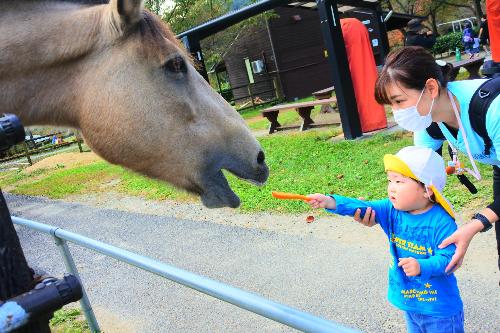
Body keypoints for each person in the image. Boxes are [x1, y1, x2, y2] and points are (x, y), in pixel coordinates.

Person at [357, 46, 499, 277]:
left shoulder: (493, 110)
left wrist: (475, 224)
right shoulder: (428, 121)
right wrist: (385, 208)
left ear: (431, 88)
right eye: (391, 105)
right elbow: (415, 179)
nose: (396, 112)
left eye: (399, 101)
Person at [307, 146, 464, 333]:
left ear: (427, 190)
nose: (391, 187)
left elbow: (450, 258)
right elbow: (362, 207)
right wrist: (329, 201)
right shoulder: (391, 209)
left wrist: (422, 266)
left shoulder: (442, 222)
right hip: (410, 303)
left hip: (440, 310)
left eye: (399, 181)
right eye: (390, 180)